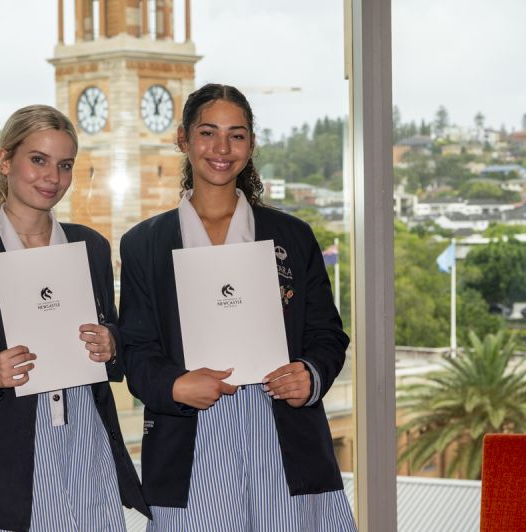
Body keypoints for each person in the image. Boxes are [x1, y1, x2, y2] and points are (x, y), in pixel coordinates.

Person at [118, 84, 357, 531]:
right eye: (208, 133)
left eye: (237, 135)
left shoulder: (291, 236)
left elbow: (328, 335)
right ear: (183, 140)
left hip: (282, 433)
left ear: (251, 143)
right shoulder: (143, 245)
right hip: (189, 442)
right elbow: (136, 350)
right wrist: (175, 385)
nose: (222, 149)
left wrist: (310, 373)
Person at [0, 104, 149, 532]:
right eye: (37, 160)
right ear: (5, 161)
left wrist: (112, 344)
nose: (52, 177)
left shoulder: (90, 246)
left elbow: (120, 341)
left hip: (85, 447)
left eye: (64, 165)